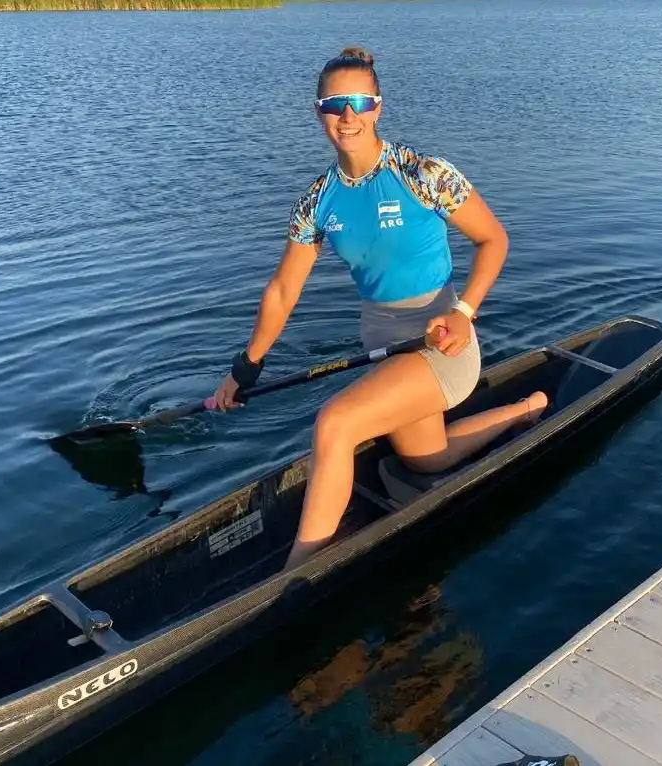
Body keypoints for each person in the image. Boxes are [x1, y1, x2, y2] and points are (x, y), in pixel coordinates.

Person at [212, 47, 548, 571]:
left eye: (358, 102)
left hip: (441, 340)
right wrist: (244, 369)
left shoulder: (423, 173)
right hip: (384, 344)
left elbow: (494, 241)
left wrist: (464, 311)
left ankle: (297, 575)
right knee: (424, 459)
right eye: (333, 103)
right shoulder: (316, 202)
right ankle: (525, 409)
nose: (347, 115)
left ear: (377, 107)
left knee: (336, 424)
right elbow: (282, 291)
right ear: (318, 110)